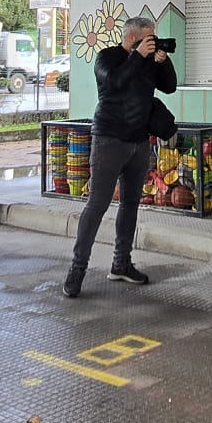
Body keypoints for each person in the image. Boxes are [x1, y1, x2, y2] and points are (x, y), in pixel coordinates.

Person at [64, 16, 176, 298]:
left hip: (138, 142)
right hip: (109, 140)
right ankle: (77, 269)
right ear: (131, 38)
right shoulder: (107, 57)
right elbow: (115, 82)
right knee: (97, 205)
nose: (152, 43)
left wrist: (163, 62)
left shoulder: (148, 61)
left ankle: (121, 263)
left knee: (130, 205)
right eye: (148, 38)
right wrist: (138, 57)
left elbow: (170, 86)